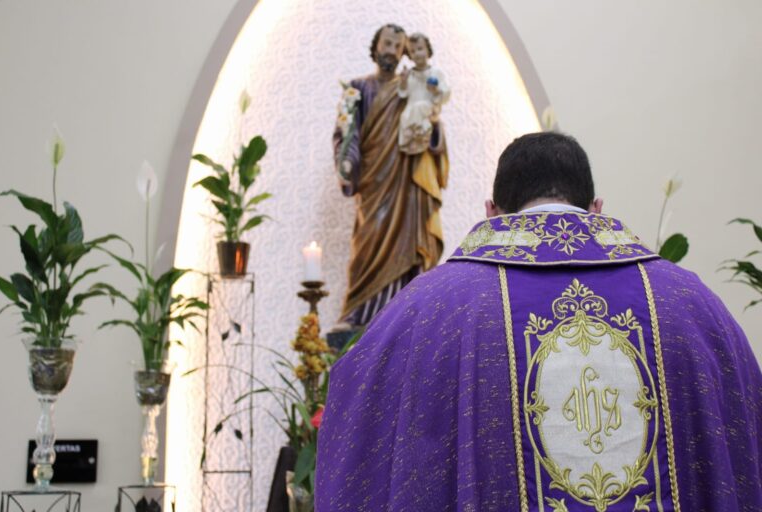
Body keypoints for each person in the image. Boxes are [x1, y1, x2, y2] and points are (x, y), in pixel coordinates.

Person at [317, 132, 762, 511]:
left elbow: (357, 406)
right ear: (597, 208)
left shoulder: (429, 308)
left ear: (492, 211)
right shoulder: (690, 303)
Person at [333, 23, 449, 328]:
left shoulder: (410, 85)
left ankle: (403, 315)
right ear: (375, 47)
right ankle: (357, 312)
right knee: (366, 244)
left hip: (406, 186)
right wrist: (346, 162)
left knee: (408, 246)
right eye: (386, 43)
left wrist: (433, 127)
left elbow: (431, 121)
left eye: (397, 46)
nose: (391, 51)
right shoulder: (357, 88)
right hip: (373, 184)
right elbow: (348, 133)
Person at [397, 32, 450, 155]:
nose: (417, 54)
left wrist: (436, 90)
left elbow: (446, 93)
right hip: (411, 110)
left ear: (428, 50)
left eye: (420, 49)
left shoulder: (435, 73)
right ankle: (411, 139)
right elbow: (403, 94)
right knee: (405, 115)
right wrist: (403, 81)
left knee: (420, 107)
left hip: (428, 108)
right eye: (413, 51)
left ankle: (421, 133)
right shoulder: (410, 74)